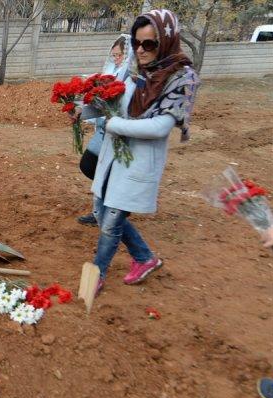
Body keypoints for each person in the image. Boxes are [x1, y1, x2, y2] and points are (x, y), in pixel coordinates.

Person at [86, 9, 200, 294]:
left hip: (139, 161)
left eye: (149, 43)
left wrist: (115, 125)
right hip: (115, 157)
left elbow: (161, 127)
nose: (141, 49)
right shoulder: (135, 70)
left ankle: (97, 273)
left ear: (167, 40)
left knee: (112, 221)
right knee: (101, 211)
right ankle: (144, 257)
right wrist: (82, 109)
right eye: (137, 42)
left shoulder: (181, 77)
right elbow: (111, 101)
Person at [77, 35, 133, 226]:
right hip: (104, 130)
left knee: (103, 171)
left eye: (119, 55)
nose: (116, 59)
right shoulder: (110, 73)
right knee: (88, 165)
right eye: (114, 55)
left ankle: (108, 209)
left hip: (118, 134)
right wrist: (81, 112)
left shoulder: (130, 78)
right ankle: (112, 206)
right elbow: (102, 105)